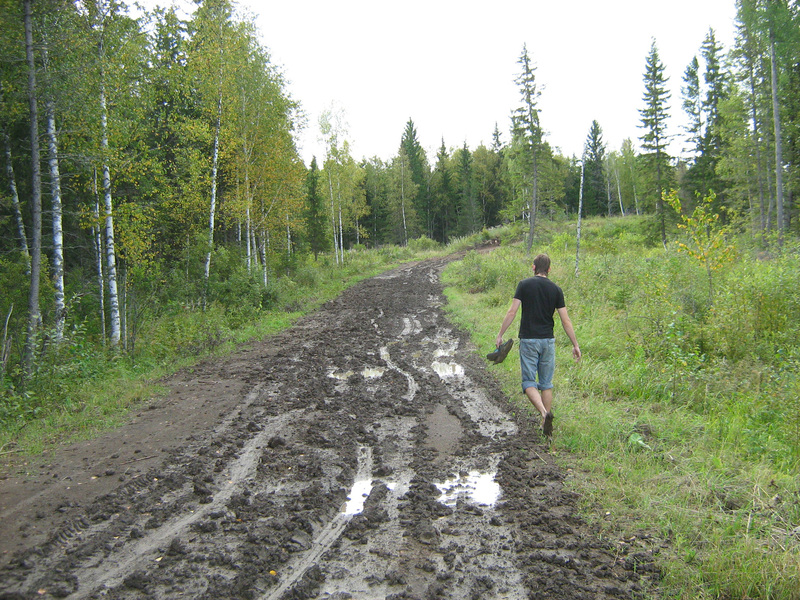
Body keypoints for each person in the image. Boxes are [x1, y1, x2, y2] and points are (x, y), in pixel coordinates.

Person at [495, 253, 581, 437]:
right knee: (546, 383)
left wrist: (501, 334)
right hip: (548, 341)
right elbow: (566, 321)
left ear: (533, 267)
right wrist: (575, 344)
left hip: (528, 340)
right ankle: (545, 427)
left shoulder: (524, 285)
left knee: (528, 382)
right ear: (549, 270)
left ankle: (544, 414)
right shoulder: (556, 289)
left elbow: (512, 312)